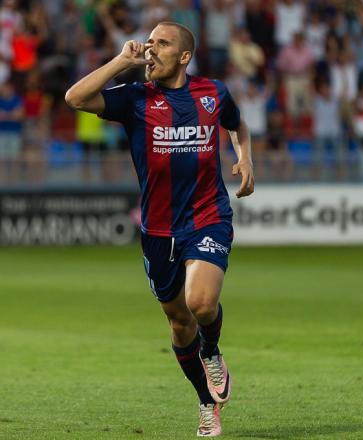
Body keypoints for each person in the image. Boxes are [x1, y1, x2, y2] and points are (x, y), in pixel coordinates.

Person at [65, 21, 255, 436]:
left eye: (161, 44)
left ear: (184, 56)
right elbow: (75, 98)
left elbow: (237, 124)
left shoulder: (213, 93)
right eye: (148, 42)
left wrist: (245, 159)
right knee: (178, 321)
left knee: (201, 304)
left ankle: (211, 351)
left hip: (208, 215)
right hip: (158, 229)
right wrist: (122, 59)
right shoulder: (136, 99)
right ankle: (206, 401)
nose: (151, 49)